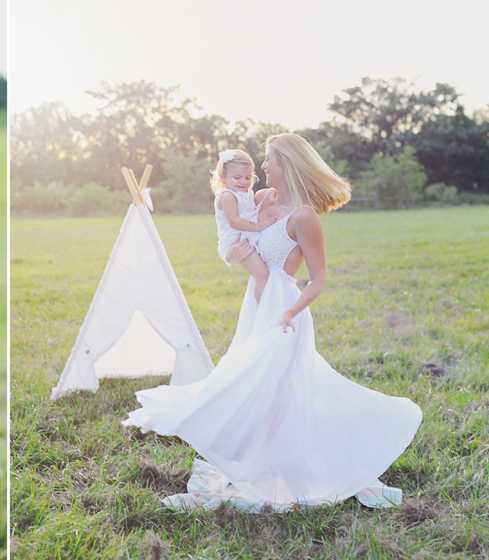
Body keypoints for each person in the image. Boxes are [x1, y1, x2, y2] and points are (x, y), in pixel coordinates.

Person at [124, 133, 422, 511]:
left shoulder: (305, 216)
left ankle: (288, 464)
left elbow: (318, 279)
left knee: (270, 387)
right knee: (252, 383)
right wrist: (231, 256)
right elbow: (236, 240)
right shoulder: (262, 199)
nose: (262, 167)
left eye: (269, 160)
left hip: (285, 310)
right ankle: (255, 462)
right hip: (255, 304)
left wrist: (291, 311)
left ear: (288, 166)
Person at [211, 148, 271, 302]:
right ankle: (263, 310)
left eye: (248, 177)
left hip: (248, 234)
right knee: (262, 274)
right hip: (236, 240)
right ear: (223, 176)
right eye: (237, 177)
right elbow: (235, 221)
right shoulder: (227, 196)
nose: (243, 182)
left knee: (268, 270)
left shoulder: (247, 192)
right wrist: (259, 226)